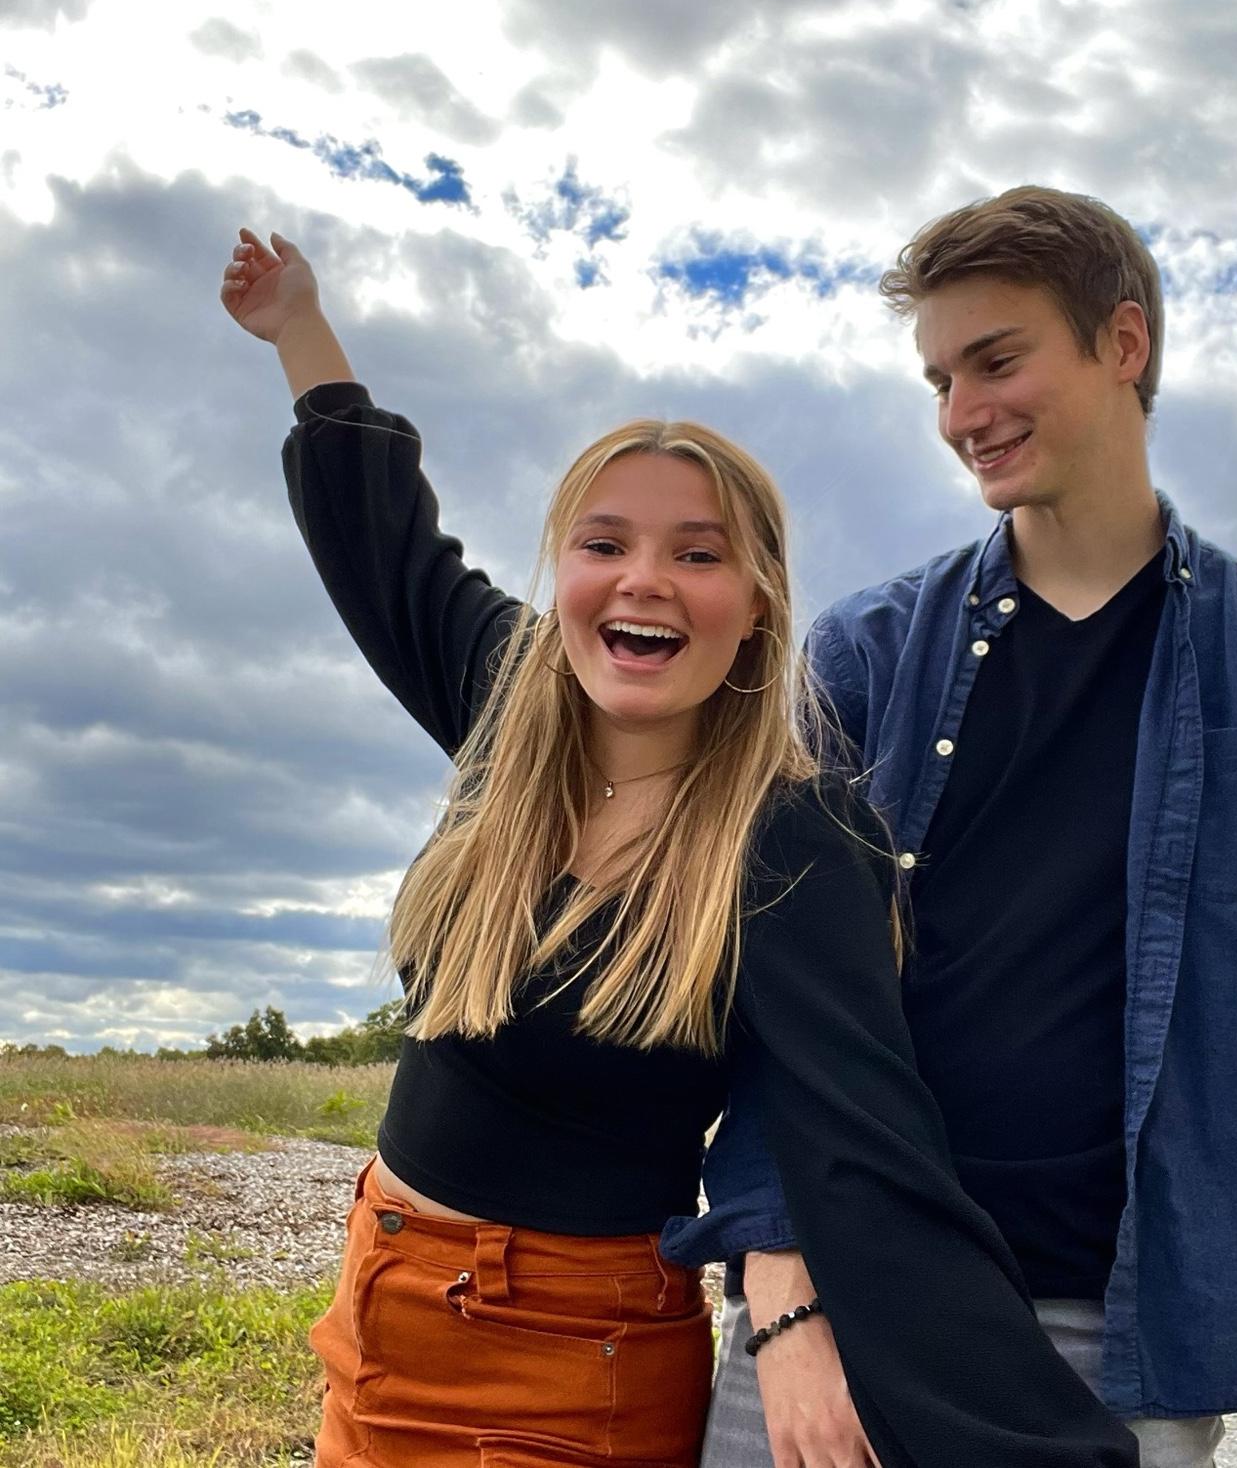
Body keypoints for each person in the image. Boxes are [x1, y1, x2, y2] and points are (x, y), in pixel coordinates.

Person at [218, 227, 1142, 1468]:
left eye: (696, 554)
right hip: (379, 1300)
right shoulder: (509, 700)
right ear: (565, 574)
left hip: (570, 1356)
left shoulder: (792, 839)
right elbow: (381, 543)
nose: (643, 579)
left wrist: (1014, 1430)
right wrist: (299, 329)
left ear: (756, 604)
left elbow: (863, 1138)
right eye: (605, 544)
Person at [670, 186, 1237, 1468]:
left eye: (997, 360)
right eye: (940, 378)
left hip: (1126, 1347)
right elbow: (785, 1006)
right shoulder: (866, 655)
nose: (961, 415)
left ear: (1124, 343)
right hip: (849, 1306)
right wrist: (781, 1297)